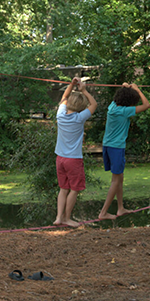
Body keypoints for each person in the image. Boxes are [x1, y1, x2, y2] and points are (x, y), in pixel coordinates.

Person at [98, 83, 150, 220]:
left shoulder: (112, 107)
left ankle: (120, 208)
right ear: (130, 102)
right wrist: (137, 89)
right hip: (116, 148)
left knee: (119, 178)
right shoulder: (125, 111)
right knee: (115, 180)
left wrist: (125, 88)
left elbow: (118, 98)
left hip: (108, 146)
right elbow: (146, 105)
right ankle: (103, 212)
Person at [54, 77, 97, 227]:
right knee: (74, 189)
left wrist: (71, 85)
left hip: (60, 158)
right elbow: (94, 104)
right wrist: (84, 90)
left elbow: (64, 97)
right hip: (73, 160)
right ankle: (66, 218)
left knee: (63, 188)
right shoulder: (79, 118)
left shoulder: (60, 115)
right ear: (81, 107)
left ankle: (59, 217)